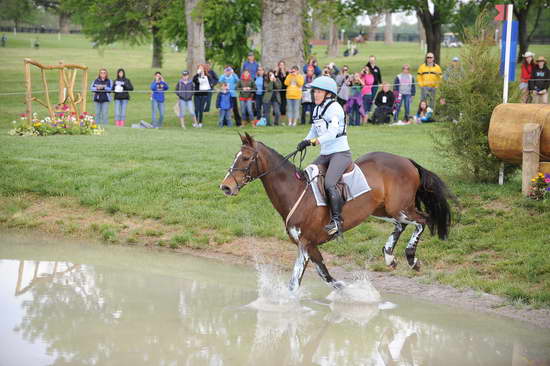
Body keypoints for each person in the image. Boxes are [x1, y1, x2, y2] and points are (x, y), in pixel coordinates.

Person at [295, 76, 351, 237]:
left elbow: (332, 133)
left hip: (340, 154)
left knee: (329, 183)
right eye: (314, 92)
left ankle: (336, 221)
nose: (315, 95)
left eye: (318, 92)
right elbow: (314, 130)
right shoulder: (317, 109)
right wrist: (304, 141)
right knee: (306, 176)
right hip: (325, 154)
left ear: (328, 94)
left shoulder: (335, 109)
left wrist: (314, 141)